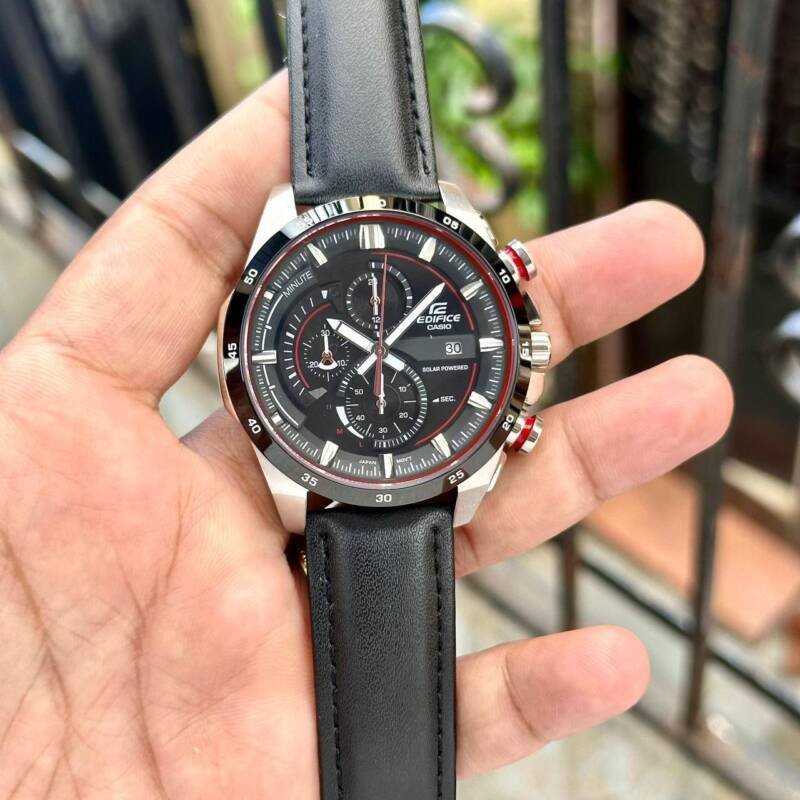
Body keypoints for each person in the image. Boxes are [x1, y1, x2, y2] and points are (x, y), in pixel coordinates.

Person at [0, 72, 732, 797]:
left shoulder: (456, 266)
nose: (378, 353)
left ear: (524, 346)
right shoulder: (294, 276)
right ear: (240, 359)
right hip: (333, 470)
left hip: (414, 466)